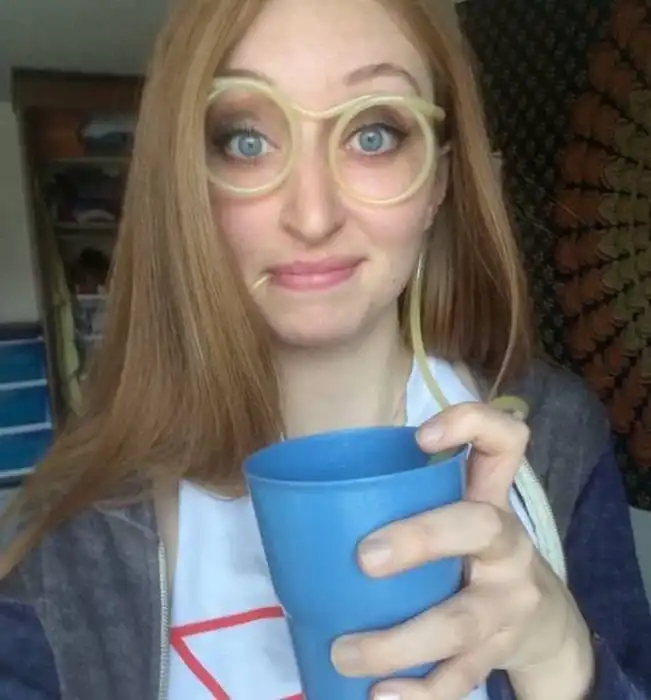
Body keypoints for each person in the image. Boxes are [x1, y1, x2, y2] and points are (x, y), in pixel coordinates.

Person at [1, 0, 650, 698]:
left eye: (373, 134)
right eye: (245, 139)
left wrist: (563, 663)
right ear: (186, 185)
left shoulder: (552, 437)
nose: (312, 216)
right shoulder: (71, 534)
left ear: (438, 181)